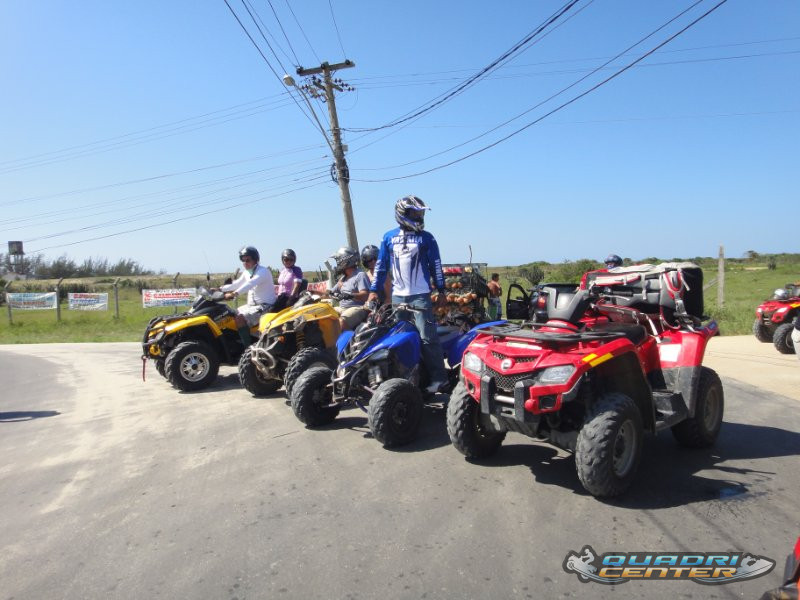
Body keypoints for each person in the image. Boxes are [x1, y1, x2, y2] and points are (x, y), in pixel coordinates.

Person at [367, 195, 448, 394]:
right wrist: (373, 291)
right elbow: (381, 267)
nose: (419, 217)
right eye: (414, 213)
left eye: (420, 213)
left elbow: (436, 265)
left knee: (427, 337)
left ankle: (439, 378)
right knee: (399, 339)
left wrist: (441, 290)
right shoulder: (388, 237)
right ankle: (404, 379)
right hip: (398, 297)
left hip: (421, 296)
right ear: (402, 214)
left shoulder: (427, 237)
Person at [220, 246, 276, 346]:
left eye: (248, 260)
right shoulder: (246, 272)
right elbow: (236, 284)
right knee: (229, 314)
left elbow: (250, 284)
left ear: (255, 260)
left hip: (265, 306)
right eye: (243, 260)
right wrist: (219, 289)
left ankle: (247, 348)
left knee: (240, 317)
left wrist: (233, 294)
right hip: (251, 306)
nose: (245, 262)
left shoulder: (263, 271)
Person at [328, 247, 371, 331]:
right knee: (324, 315)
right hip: (342, 308)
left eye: (338, 261)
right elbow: (330, 293)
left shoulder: (360, 275)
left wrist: (350, 295)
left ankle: (352, 339)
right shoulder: (343, 278)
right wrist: (312, 293)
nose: (337, 264)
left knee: (341, 322)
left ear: (346, 261)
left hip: (357, 307)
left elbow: (366, 295)